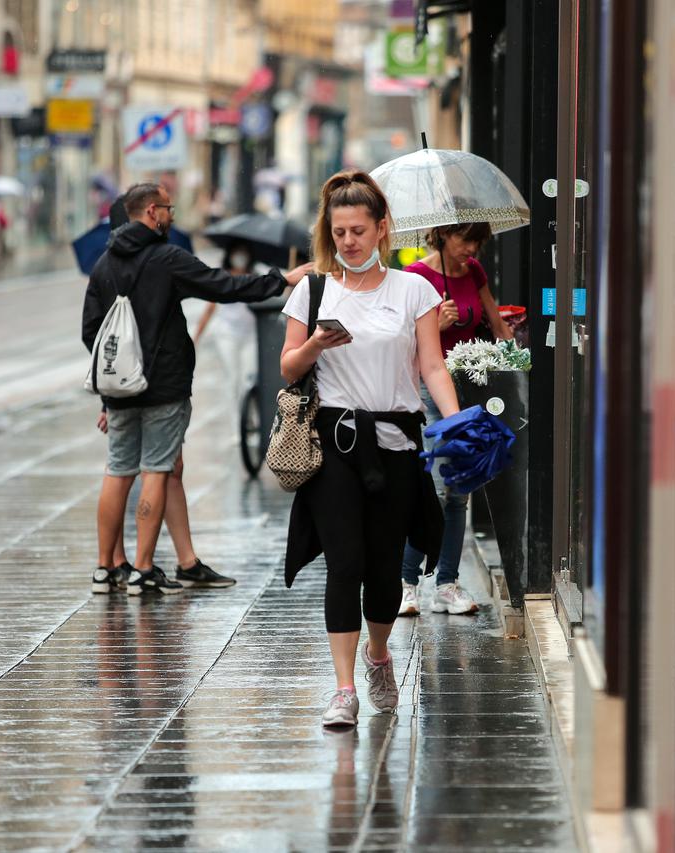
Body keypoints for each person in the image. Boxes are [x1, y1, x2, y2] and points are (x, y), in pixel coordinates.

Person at [280, 170, 458, 728]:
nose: (348, 242)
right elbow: (287, 368)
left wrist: (456, 425)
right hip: (333, 444)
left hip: (398, 444)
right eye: (338, 232)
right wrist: (315, 343)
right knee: (345, 562)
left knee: (384, 570)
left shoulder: (414, 290)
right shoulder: (311, 290)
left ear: (383, 229)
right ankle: (343, 688)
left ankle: (378, 654)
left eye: (358, 230)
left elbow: (431, 364)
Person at [83, 182, 313, 596]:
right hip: (163, 387)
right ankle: (143, 569)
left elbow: (91, 334)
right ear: (152, 212)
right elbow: (223, 286)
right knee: (157, 468)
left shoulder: (103, 266)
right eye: (168, 208)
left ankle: (104, 569)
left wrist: (109, 390)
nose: (172, 216)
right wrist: (282, 280)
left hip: (117, 391)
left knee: (117, 471)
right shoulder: (166, 258)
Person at [398, 223, 513, 617]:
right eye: (465, 239)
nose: (471, 249)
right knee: (433, 485)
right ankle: (407, 582)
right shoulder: (415, 278)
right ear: (443, 235)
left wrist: (513, 359)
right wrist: (437, 325)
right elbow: (399, 343)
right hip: (430, 391)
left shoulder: (475, 272)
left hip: (469, 391)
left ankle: (446, 583)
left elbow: (497, 326)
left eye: (477, 242)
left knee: (459, 488)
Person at [192, 242, 258, 412]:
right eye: (237, 252)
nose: (240, 257)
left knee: (248, 378)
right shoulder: (223, 278)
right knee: (233, 379)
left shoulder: (256, 277)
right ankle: (238, 423)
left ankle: (249, 416)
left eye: (244, 252)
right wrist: (196, 338)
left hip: (250, 336)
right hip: (227, 335)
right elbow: (209, 309)